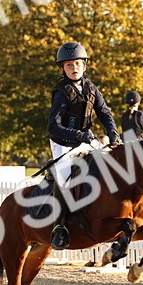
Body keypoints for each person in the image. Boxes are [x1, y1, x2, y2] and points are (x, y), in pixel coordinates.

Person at [47, 41, 119, 249]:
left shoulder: (92, 88)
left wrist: (112, 131)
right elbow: (53, 127)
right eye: (69, 65)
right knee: (65, 178)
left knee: (110, 165)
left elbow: (104, 113)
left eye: (77, 63)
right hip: (63, 142)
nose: (74, 68)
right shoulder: (61, 91)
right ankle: (58, 227)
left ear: (84, 65)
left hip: (86, 139)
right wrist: (79, 135)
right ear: (62, 68)